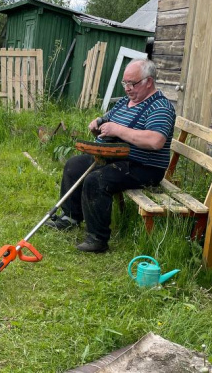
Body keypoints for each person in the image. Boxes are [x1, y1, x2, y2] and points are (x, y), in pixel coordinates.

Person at [47, 59, 176, 253]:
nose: (127, 88)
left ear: (149, 82)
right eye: (125, 83)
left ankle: (97, 238)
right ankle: (71, 217)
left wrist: (118, 129)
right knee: (74, 166)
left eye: (133, 83)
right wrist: (97, 122)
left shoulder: (160, 107)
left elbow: (155, 141)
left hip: (143, 167)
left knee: (97, 180)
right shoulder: (127, 102)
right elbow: (107, 118)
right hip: (115, 158)